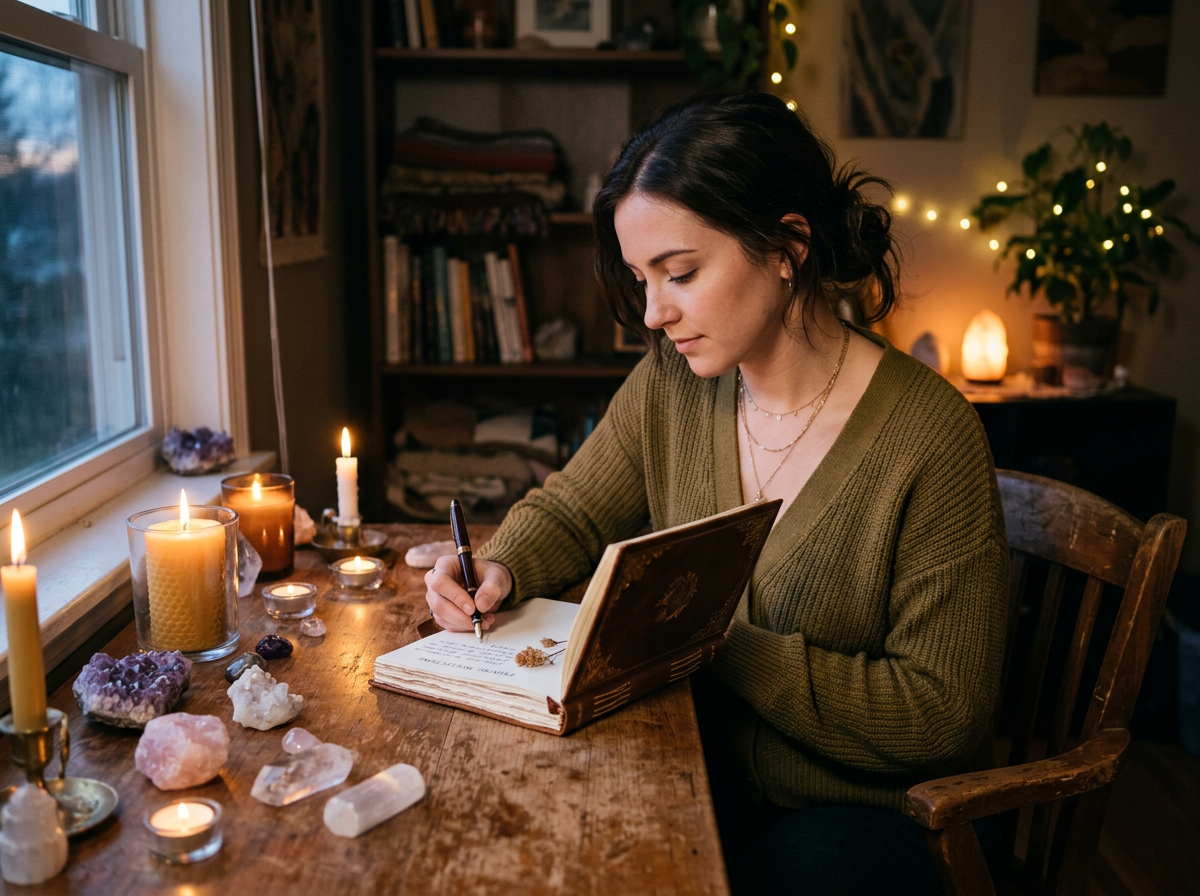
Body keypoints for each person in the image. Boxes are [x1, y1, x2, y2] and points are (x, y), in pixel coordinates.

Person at [425, 92, 1009, 895]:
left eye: (682, 273)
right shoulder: (675, 383)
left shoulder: (930, 438)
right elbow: (574, 508)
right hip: (696, 771)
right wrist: (500, 567)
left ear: (787, 245)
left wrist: (714, 641)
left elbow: (942, 714)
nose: (656, 314)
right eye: (641, 279)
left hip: (868, 825)